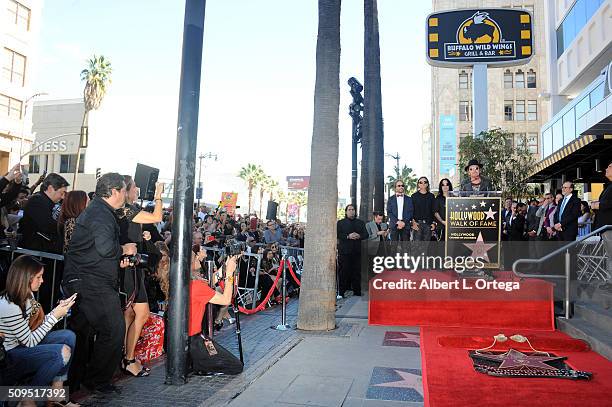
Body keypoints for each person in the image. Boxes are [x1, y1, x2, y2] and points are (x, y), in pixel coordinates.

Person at [61, 173, 136, 394]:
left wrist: (116, 262)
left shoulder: (98, 211)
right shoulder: (101, 214)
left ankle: (72, 383)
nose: (125, 194)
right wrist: (125, 249)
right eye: (123, 190)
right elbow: (105, 249)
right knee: (114, 330)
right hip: (91, 283)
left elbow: (96, 250)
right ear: (114, 191)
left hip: (86, 280)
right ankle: (96, 380)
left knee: (82, 333)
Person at [0, 255, 78, 407]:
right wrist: (55, 316)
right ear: (26, 278)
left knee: (68, 336)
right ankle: (26, 396)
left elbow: (37, 327)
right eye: (39, 277)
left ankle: (56, 394)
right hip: (9, 356)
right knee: (61, 353)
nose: (42, 281)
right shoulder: (9, 306)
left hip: (21, 345)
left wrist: (57, 311)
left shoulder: (26, 295)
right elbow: (29, 342)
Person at [117, 176, 164, 377]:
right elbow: (157, 217)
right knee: (139, 313)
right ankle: (127, 358)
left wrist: (142, 236)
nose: (137, 190)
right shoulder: (127, 209)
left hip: (133, 267)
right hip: (128, 268)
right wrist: (159, 195)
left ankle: (125, 357)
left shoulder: (128, 210)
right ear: (126, 191)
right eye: (135, 187)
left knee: (130, 314)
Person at [19, 173, 69, 253]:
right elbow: (47, 225)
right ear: (50, 188)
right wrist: (67, 226)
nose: (62, 197)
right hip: (37, 251)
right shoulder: (37, 201)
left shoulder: (45, 201)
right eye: (62, 193)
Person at [337, 204, 367, 297]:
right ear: (346, 212)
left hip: (357, 251)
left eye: (353, 209)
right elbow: (338, 234)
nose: (351, 211)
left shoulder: (361, 222)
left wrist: (359, 236)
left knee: (357, 272)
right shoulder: (340, 223)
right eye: (349, 209)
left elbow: (366, 234)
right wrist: (348, 236)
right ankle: (341, 292)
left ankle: (357, 291)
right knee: (344, 272)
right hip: (345, 252)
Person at [591, 160, 612, 277]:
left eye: (609, 167)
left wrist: (600, 205)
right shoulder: (608, 186)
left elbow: (608, 203)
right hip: (605, 227)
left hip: (610, 226)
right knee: (609, 256)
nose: (606, 169)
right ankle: (610, 282)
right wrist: (596, 206)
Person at [411, 177, 436, 255]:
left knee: (425, 247)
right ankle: (415, 265)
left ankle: (424, 265)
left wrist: (433, 223)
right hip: (417, 224)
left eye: (425, 182)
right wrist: (413, 222)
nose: (423, 184)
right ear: (418, 184)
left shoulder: (431, 196)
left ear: (427, 184)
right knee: (416, 246)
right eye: (420, 182)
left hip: (428, 224)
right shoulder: (414, 196)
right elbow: (410, 211)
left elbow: (433, 211)